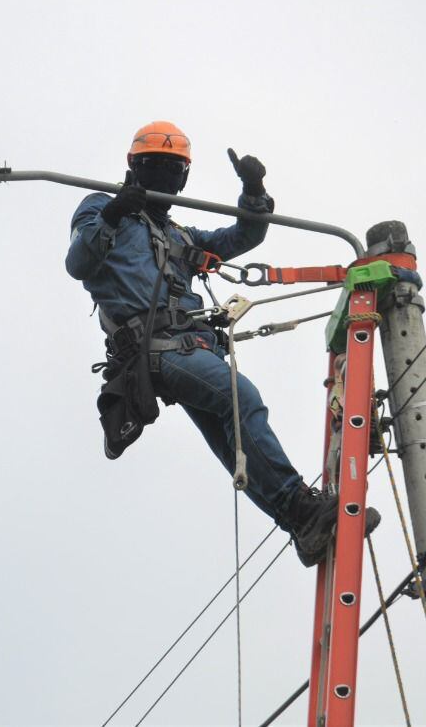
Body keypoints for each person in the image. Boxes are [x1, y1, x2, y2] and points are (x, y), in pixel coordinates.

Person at [65, 120, 340, 566]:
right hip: (156, 349)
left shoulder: (180, 236)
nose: (167, 177)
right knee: (240, 396)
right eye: (157, 166)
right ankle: (301, 505)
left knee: (235, 440)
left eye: (175, 169)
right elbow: (78, 263)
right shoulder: (100, 208)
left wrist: (254, 190)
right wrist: (115, 213)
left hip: (194, 348)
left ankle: (300, 524)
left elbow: (242, 237)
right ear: (135, 167)